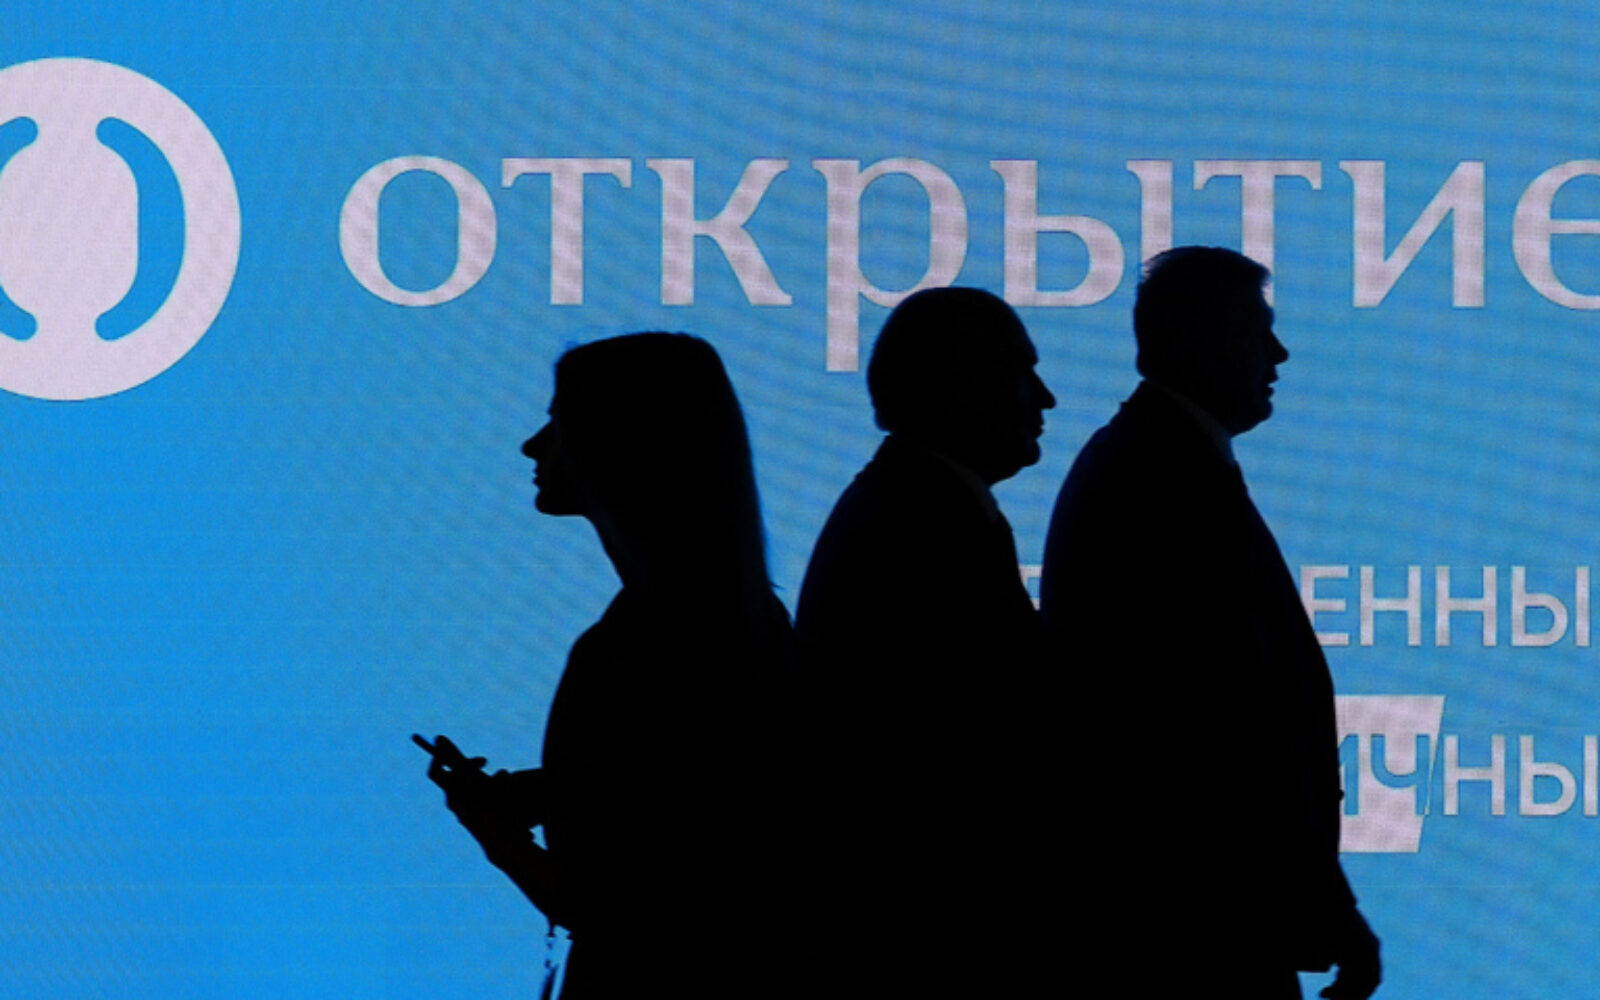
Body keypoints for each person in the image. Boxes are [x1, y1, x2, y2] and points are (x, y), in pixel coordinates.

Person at [1040, 247, 1381, 999]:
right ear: (1202, 340)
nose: (1278, 355)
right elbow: (1232, 720)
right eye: (1259, 332)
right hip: (1197, 931)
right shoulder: (1167, 477)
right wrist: (1330, 904)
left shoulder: (1160, 460)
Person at [421, 333, 794, 1000]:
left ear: (622, 445)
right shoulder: (737, 620)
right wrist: (556, 792)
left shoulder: (641, 640)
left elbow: (608, 906)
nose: (533, 446)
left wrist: (496, 833)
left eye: (561, 422)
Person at [793, 286, 1056, 996]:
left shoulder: (918, 507)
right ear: (959, 385)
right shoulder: (924, 525)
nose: (1046, 399)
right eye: (1021, 374)